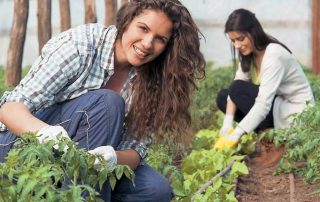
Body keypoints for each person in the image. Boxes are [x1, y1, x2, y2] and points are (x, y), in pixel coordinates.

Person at [0, 0, 205, 201]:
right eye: (143, 28)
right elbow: (10, 109)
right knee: (107, 103)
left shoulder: (154, 78)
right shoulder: (80, 45)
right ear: (127, 20)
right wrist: (46, 133)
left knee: (155, 190)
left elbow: (136, 148)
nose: (147, 43)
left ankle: (70, 191)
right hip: (21, 147)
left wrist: (113, 158)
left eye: (160, 39)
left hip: (79, 161)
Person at [214, 8, 315, 152]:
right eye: (233, 41)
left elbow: (263, 104)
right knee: (224, 97)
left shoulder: (273, 54)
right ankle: (264, 134)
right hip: (277, 108)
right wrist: (227, 123)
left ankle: (271, 137)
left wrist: (236, 134)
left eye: (240, 39)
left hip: (294, 115)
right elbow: (234, 88)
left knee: (237, 89)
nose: (237, 45)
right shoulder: (250, 54)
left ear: (253, 32)